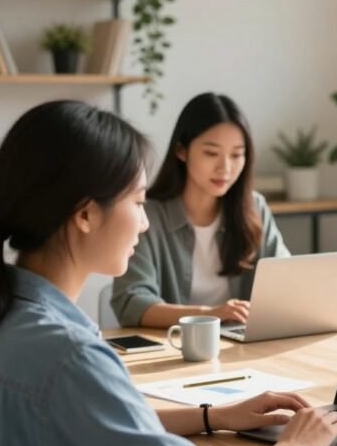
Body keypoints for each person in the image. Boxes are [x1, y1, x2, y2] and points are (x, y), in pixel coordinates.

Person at [0, 101, 337, 446]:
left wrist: (213, 416)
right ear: (85, 214)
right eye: (138, 202)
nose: (145, 223)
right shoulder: (69, 359)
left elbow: (91, 422)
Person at [112, 92, 289, 328]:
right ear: (181, 151)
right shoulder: (147, 216)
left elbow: (286, 280)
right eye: (211, 153)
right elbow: (132, 303)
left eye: (236, 155)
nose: (225, 167)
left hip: (243, 343)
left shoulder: (254, 207)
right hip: (175, 344)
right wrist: (210, 314)